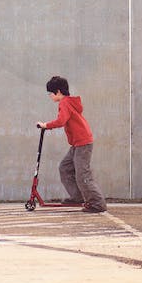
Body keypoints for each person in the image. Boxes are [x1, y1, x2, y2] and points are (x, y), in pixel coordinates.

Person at [36, 76, 107, 213]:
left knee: (83, 175)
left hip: (82, 143)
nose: (49, 96)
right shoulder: (68, 102)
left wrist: (46, 125)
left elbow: (61, 121)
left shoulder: (64, 103)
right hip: (77, 144)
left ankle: (97, 203)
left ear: (58, 92)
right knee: (65, 168)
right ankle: (78, 197)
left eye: (50, 93)